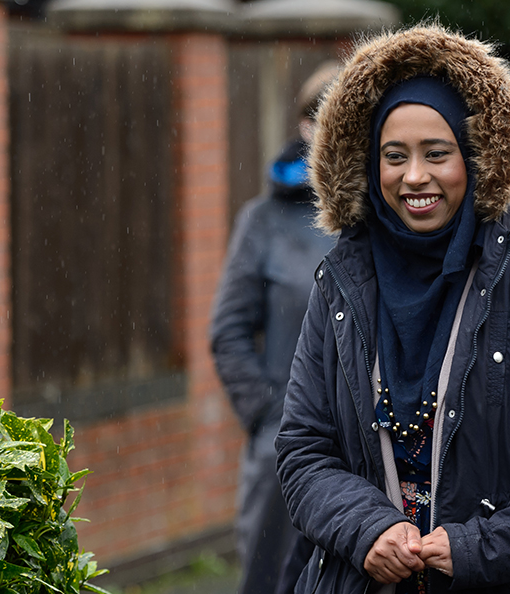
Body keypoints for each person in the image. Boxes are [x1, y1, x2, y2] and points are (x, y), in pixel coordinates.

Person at [275, 24, 510, 594]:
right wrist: (368, 531)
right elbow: (303, 450)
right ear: (368, 164)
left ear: (477, 156)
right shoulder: (340, 282)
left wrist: (473, 548)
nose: (415, 176)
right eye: (395, 156)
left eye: (437, 153)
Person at [209, 61, 341, 594]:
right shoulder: (262, 220)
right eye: (325, 120)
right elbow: (228, 332)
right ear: (307, 128)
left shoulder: (387, 218)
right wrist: (271, 417)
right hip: (283, 451)